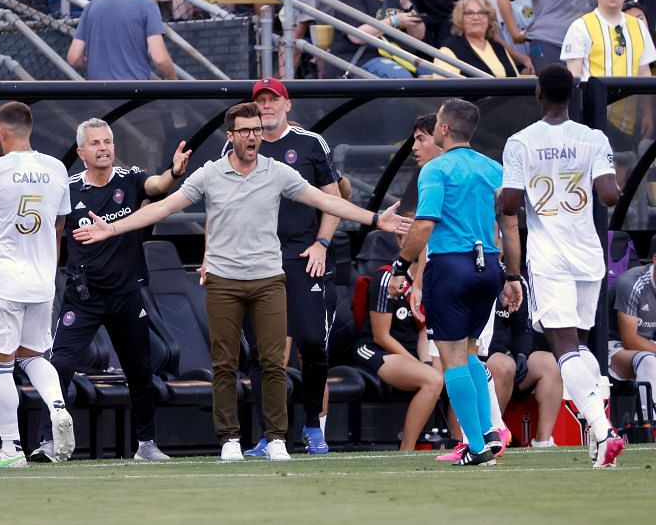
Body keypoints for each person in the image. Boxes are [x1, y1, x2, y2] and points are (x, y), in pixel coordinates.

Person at [73, 102, 412, 462]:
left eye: (256, 130)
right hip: (223, 281)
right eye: (245, 131)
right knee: (224, 363)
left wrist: (376, 219)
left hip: (268, 280)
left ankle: (277, 439)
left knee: (272, 362)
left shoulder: (277, 172)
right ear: (231, 136)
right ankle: (229, 439)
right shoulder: (210, 173)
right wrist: (111, 227)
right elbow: (162, 207)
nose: (253, 137)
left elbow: (327, 201)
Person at [30, 118, 190, 462]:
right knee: (58, 365)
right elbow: (53, 238)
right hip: (82, 296)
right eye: (95, 143)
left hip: (126, 295)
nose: (103, 148)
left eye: (108, 142)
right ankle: (47, 441)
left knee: (140, 369)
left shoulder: (130, 179)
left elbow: (159, 184)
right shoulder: (68, 189)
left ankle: (146, 444)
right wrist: (49, 285)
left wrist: (174, 172)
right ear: (81, 152)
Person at [500, 63, 624, 468]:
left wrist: (503, 197)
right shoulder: (593, 138)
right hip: (588, 255)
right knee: (582, 344)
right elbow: (609, 195)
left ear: (538, 93)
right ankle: (598, 431)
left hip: (550, 256)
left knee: (563, 348)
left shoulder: (520, 142)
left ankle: (603, 432)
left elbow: (512, 205)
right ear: (571, 94)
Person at [388, 98, 517, 467]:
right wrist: (511, 275)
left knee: (451, 360)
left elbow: (425, 223)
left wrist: (401, 265)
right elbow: (509, 227)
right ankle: (490, 434)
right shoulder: (495, 169)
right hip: (489, 266)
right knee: (472, 349)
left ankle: (476, 447)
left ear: (444, 128)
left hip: (451, 266)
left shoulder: (436, 169)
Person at [223, 79, 341, 457]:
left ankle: (313, 426)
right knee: (264, 352)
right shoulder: (237, 145)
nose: (267, 107)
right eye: (261, 102)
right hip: (256, 259)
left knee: (312, 344)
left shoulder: (310, 143)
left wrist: (321, 244)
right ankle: (270, 436)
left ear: (287, 105)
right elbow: (218, 199)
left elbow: (333, 200)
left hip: (303, 258)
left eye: (274, 100)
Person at [0, 102, 75, 468]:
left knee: (0, 364)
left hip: (2, 281)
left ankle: (10, 450)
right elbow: (59, 227)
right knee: (33, 356)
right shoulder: (57, 168)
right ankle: (58, 406)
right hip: (42, 281)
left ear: (0, 132)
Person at [350, 230, 444, 451]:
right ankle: (407, 449)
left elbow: (423, 331)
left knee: (453, 374)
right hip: (375, 349)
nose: (421, 244)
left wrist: (427, 362)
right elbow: (381, 336)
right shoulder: (387, 277)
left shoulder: (425, 280)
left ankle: (458, 443)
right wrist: (416, 363)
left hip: (409, 350)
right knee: (433, 380)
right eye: (415, 237)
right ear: (400, 241)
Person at [561, 0, 656, 148]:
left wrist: (648, 114)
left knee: (625, 162)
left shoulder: (639, 27)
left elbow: (644, 74)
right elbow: (573, 79)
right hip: (592, 116)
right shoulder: (580, 27)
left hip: (628, 119)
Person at [485, 282, 563, 447]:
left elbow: (523, 328)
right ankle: (490, 436)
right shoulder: (474, 274)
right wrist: (503, 353)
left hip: (510, 359)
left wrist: (521, 354)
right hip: (482, 358)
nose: (498, 254)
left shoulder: (517, 282)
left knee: (551, 364)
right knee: (504, 365)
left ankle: (543, 442)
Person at [66, 0, 177, 81]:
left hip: (98, 94)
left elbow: (74, 58)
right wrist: (173, 82)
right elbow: (160, 59)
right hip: (134, 94)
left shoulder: (91, 6)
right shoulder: (147, 7)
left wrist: (98, 64)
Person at [609, 235, 656, 422]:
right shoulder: (632, 283)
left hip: (650, 344)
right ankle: (647, 423)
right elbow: (630, 339)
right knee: (649, 361)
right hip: (615, 349)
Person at [327, 0, 425, 79]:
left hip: (400, 58)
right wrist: (394, 21)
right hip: (363, 58)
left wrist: (406, 4)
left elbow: (417, 36)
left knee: (436, 76)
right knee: (402, 78)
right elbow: (356, 37)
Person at [497, 0, 595, 72]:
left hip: (586, 43)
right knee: (555, 88)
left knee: (591, 91)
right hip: (547, 42)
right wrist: (515, 34)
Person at [433, 0, 521, 77]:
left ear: (489, 18)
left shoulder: (499, 48)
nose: (476, 17)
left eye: (482, 13)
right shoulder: (449, 49)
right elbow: (443, 88)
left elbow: (515, 80)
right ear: (460, 18)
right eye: (469, 13)